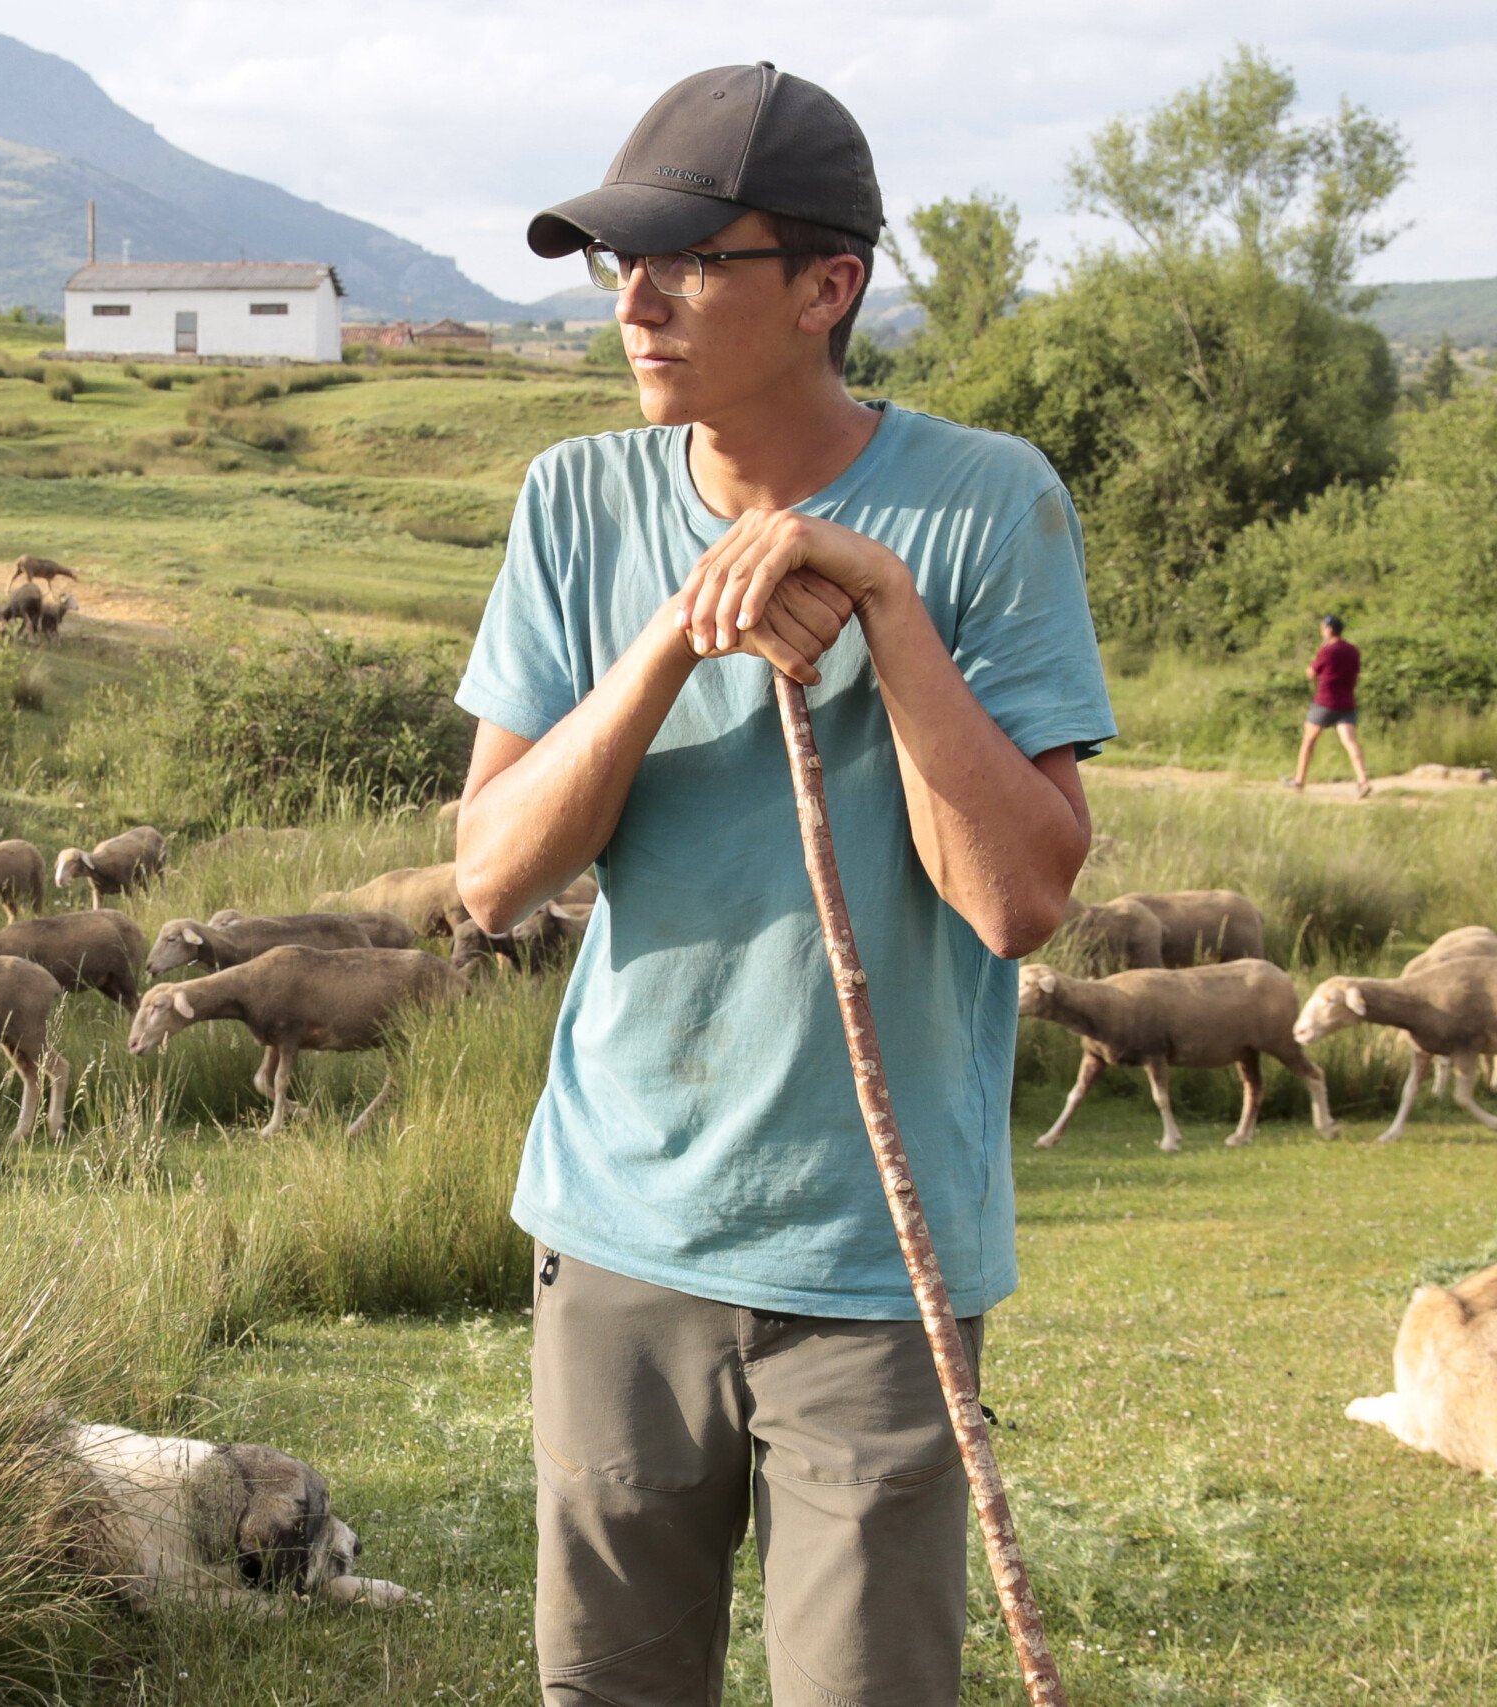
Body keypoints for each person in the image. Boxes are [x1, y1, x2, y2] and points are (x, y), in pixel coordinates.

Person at [451, 62, 1115, 1706]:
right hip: (618, 1241)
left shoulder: (985, 506)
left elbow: (1021, 904)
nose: (637, 299)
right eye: (619, 259)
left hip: (876, 1269)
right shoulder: (575, 499)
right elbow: (492, 874)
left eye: (689, 258)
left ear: (831, 287)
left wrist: (887, 607)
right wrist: (677, 637)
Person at [1287, 616, 1369, 796]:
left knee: (1308, 741)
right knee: (1350, 741)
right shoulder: (1353, 650)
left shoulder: (1326, 651)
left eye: (1323, 628)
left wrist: (1316, 661)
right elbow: (1355, 672)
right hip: (1347, 702)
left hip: (1325, 701)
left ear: (1329, 630)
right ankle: (1363, 781)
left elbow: (1311, 674)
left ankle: (1299, 781)